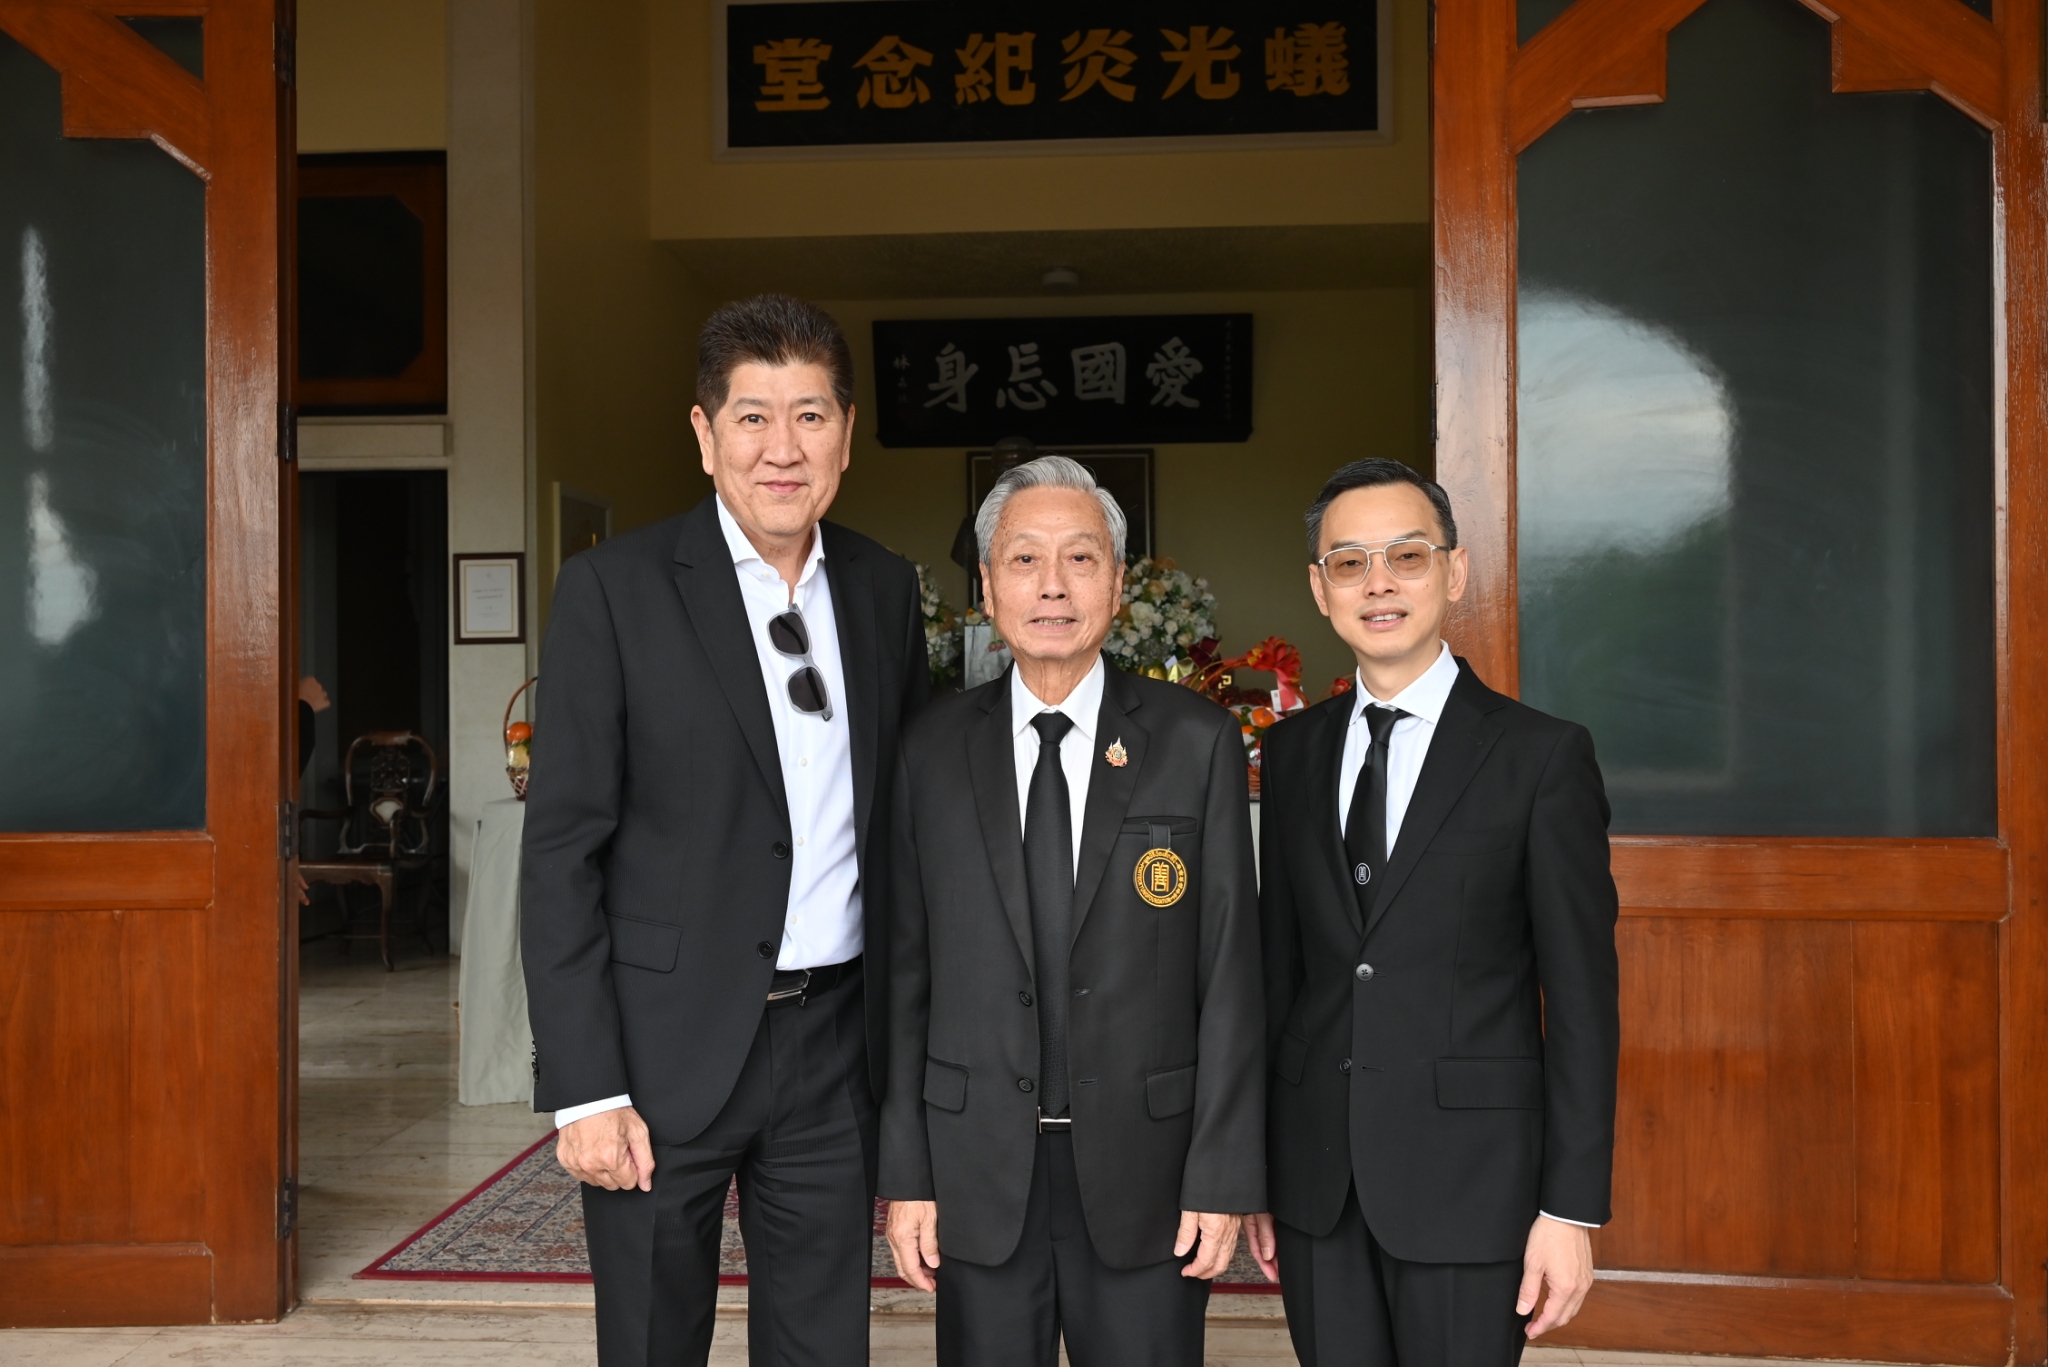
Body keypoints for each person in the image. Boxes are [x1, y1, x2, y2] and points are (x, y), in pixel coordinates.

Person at [521, 294, 930, 1366]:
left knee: (822, 1344)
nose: (781, 449)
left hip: (833, 1044)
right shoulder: (614, 590)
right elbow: (561, 852)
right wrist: (586, 1086)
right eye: (752, 417)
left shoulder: (884, 590)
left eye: (809, 415)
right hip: (660, 1051)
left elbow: (903, 828)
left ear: (847, 433)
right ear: (704, 435)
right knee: (654, 1341)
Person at [880, 455, 1264, 1367]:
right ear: (986, 587)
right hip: (977, 1169)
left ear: (1118, 583)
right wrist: (908, 1174)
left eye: (1081, 558)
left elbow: (1230, 972)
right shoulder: (929, 749)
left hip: (1149, 1173)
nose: (1052, 585)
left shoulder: (1195, 741)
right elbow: (904, 974)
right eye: (1025, 559)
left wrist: (1221, 1173)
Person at [1251, 458, 1620, 1366]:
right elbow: (1277, 978)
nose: (1378, 583)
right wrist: (1256, 1172)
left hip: (1473, 1185)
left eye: (1406, 556)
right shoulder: (1290, 754)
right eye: (1350, 562)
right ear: (1321, 589)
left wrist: (1569, 1207)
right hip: (1317, 1185)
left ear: (1453, 573)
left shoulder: (1541, 758)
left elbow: (1582, 1002)